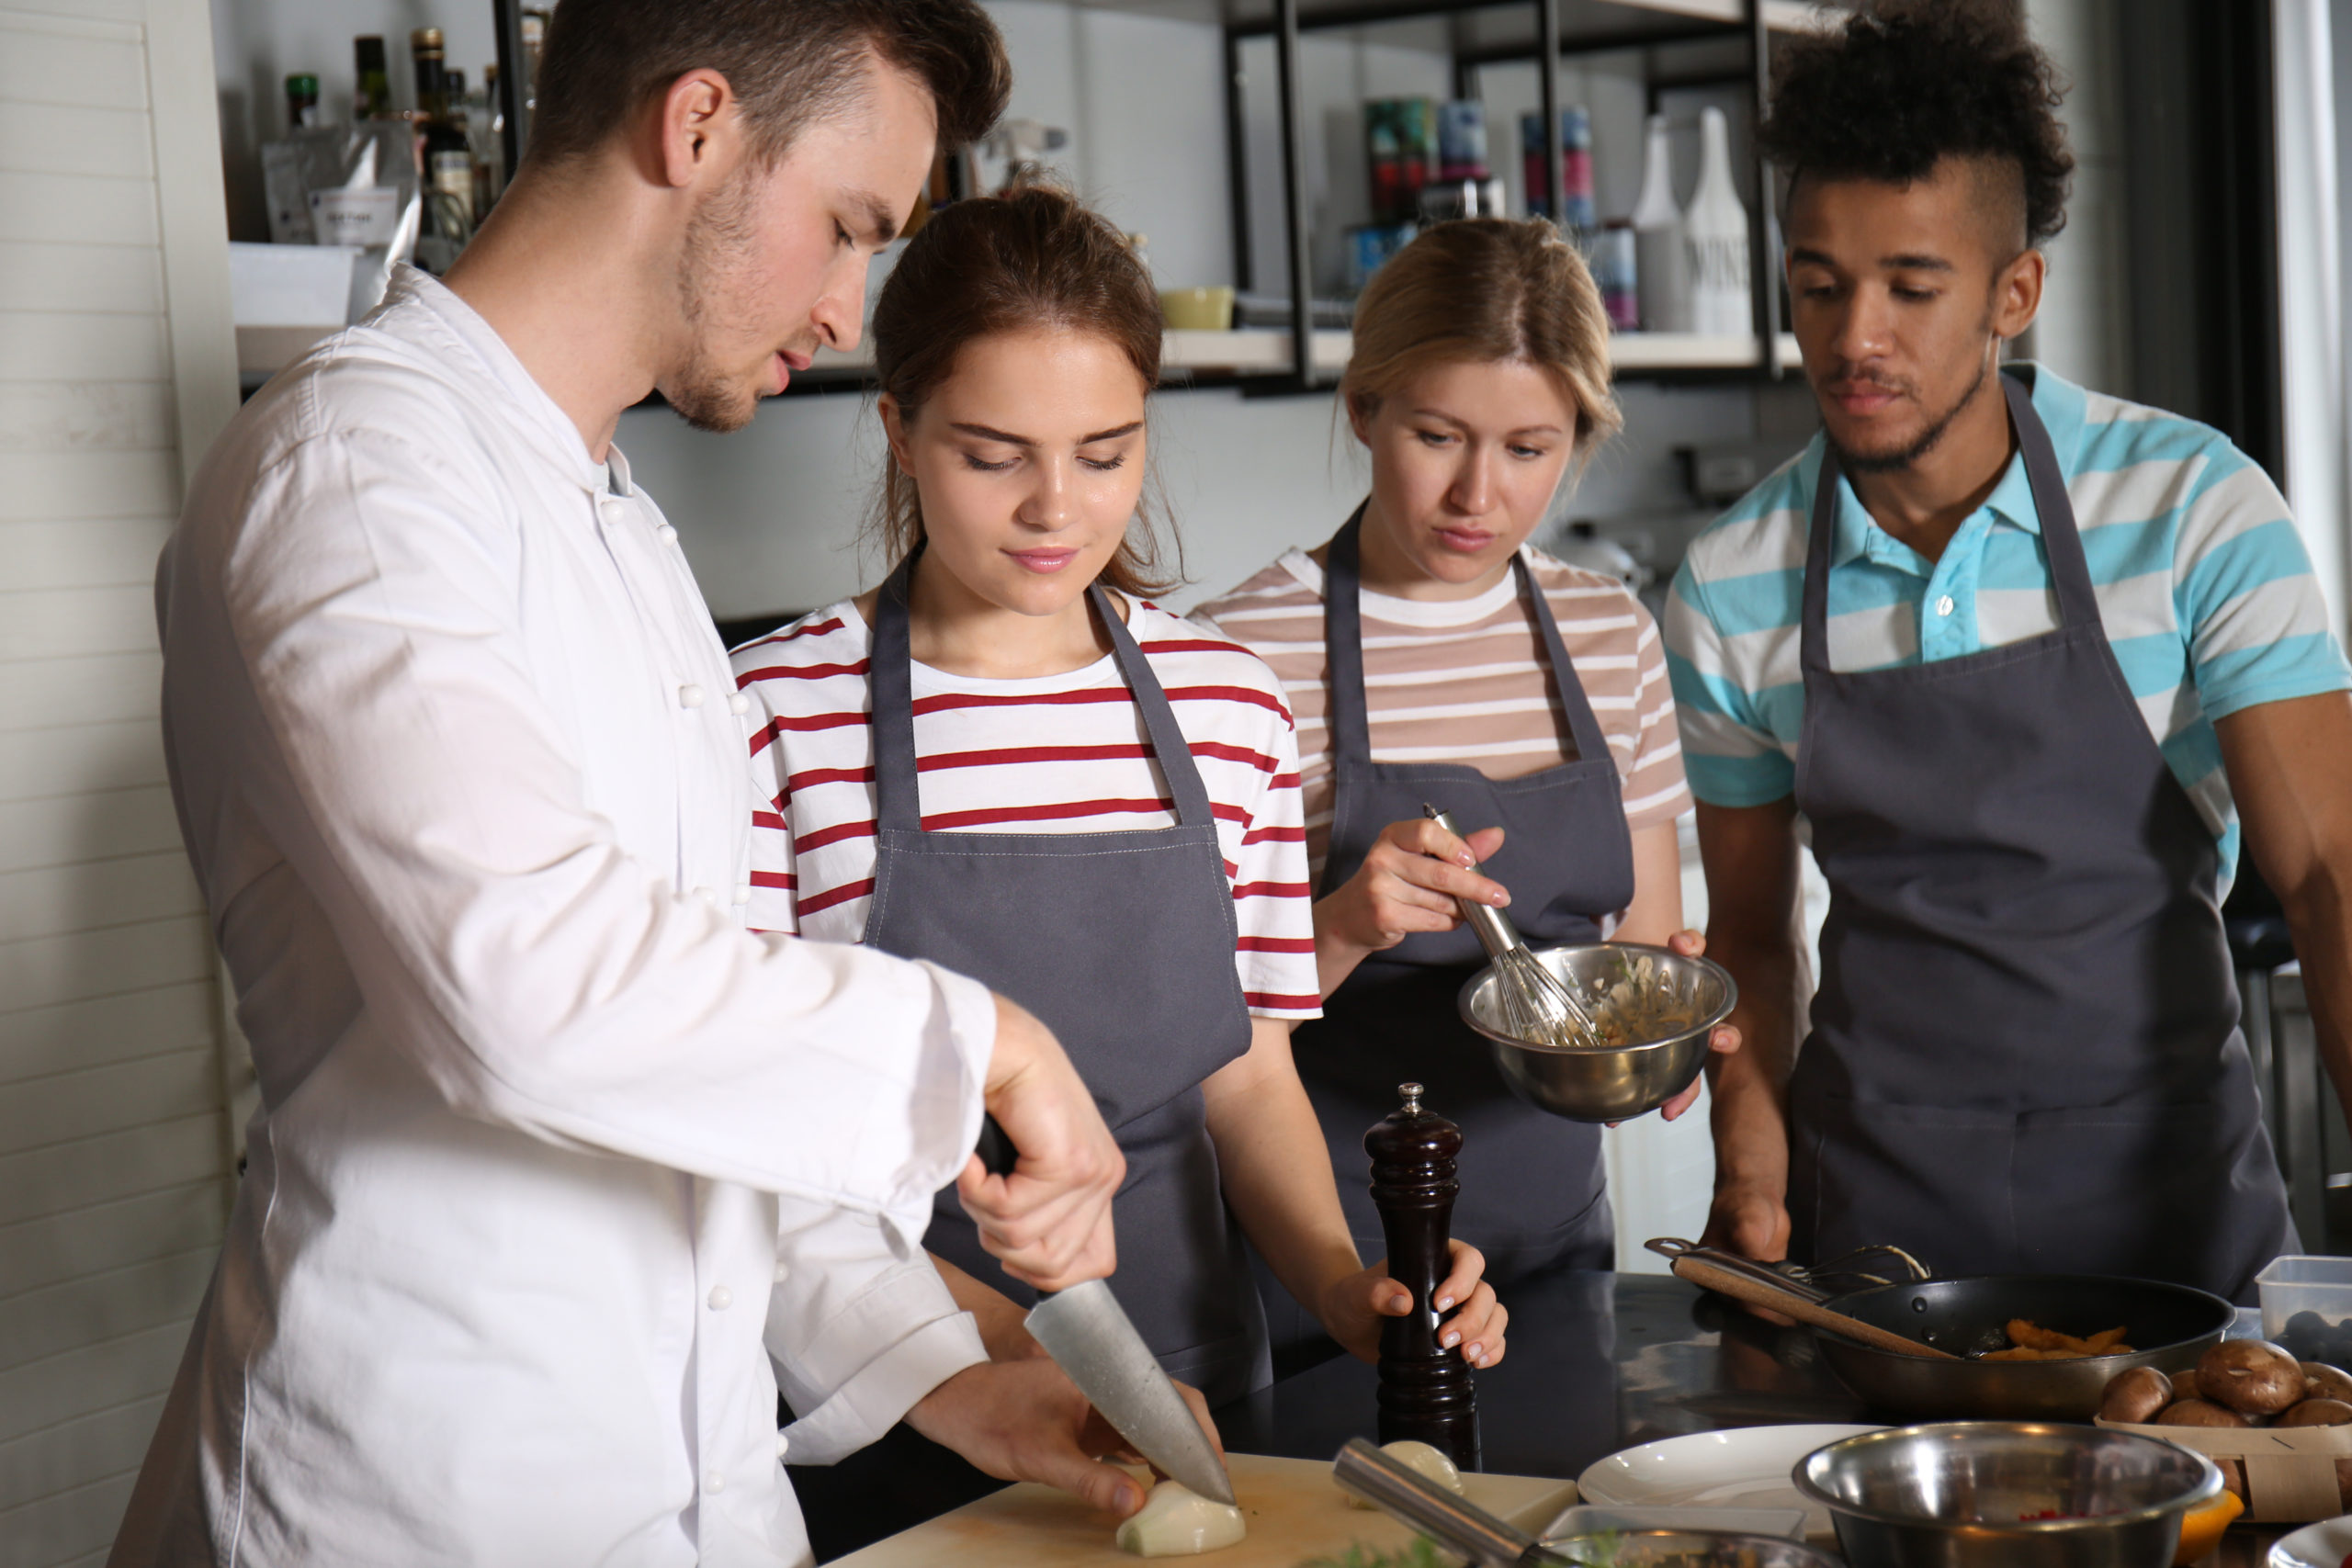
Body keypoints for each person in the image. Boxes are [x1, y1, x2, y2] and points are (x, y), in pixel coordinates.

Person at [113, 6, 1148, 1564]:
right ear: (701, 127)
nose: (845, 302)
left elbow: (695, 1069)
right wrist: (985, 1039)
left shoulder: (616, 524)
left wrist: (941, 1370)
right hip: (420, 1501)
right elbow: (530, 987)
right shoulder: (356, 472)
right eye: (848, 226)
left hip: (695, 1496)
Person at [731, 186, 1508, 1420]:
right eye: (994, 456)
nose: (1057, 508)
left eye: (1105, 454)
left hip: (1196, 1378)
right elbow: (765, 1138)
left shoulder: (1225, 705)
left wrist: (1348, 1282)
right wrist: (1037, 1380)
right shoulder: (772, 714)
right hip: (895, 1392)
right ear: (899, 429)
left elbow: (1245, 1075)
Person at [1669, 1, 2352, 1303]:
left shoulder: (2193, 507)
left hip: (2175, 1229)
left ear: (2013, 292)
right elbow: (1752, 937)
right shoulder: (1730, 586)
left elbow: (2331, 875)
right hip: (1886, 1253)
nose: (1855, 335)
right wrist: (1750, 1172)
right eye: (1818, 285)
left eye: (1910, 288)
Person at [1195, 219, 1737, 1323]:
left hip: (1559, 1244)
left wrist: (1663, 1036)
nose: (1475, 496)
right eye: (1438, 436)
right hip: (1325, 1253)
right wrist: (1345, 919)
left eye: (1528, 449)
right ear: (1364, 409)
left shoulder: (1607, 633)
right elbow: (1195, 1031)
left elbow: (1637, 943)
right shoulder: (1239, 649)